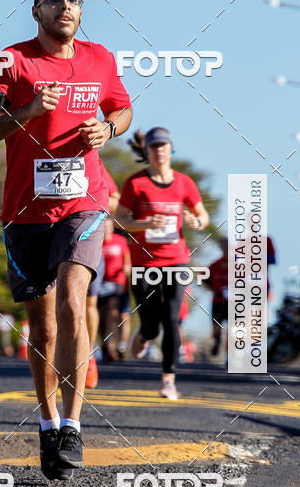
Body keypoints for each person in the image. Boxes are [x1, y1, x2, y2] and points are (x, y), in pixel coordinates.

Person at [0, 0, 132, 479]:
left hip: (85, 202)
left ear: (81, 14)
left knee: (72, 298)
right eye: (55, 0)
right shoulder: (10, 62)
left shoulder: (101, 58)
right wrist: (29, 111)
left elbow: (123, 109)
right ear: (35, 10)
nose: (67, 7)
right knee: (41, 323)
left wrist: (108, 128)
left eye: (75, 1)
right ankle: (47, 422)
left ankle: (75, 426)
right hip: (25, 211)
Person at [117, 128, 209, 399]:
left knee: (171, 319)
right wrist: (144, 223)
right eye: (154, 146)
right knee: (152, 324)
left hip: (176, 261)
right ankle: (145, 333)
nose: (159, 150)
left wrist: (196, 221)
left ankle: (168, 379)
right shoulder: (135, 183)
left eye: (163, 145)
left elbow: (201, 215)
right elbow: (120, 219)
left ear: (171, 149)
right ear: (146, 151)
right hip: (143, 263)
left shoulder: (184, 183)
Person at [85, 163, 120, 387]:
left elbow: (116, 199)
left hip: (88, 241)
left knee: (89, 304)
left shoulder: (91, 157)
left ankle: (88, 355)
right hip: (49, 239)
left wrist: (90, 203)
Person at [98, 216, 131, 361]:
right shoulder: (96, 242)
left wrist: (126, 268)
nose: (107, 230)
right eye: (104, 227)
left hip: (118, 283)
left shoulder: (121, 241)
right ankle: (105, 345)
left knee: (117, 314)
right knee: (101, 316)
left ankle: (119, 345)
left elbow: (128, 262)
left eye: (109, 227)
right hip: (100, 284)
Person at [205, 237, 228, 356]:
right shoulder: (214, 265)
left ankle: (231, 353)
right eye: (224, 246)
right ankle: (217, 342)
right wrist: (212, 289)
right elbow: (203, 278)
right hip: (218, 301)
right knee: (216, 328)